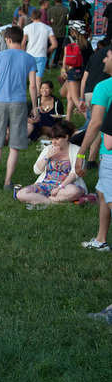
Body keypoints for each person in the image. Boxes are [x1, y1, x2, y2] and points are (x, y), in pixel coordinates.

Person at [0, 26, 38, 190]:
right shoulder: (29, 58)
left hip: (0, 102)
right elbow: (33, 86)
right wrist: (35, 108)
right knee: (14, 145)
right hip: (19, 103)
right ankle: (7, 182)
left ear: (7, 39)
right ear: (22, 39)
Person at [75, 45, 112, 252]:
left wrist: (82, 152)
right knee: (101, 191)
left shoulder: (104, 87)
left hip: (109, 152)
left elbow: (95, 123)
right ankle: (101, 239)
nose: (103, 61)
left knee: (108, 194)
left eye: (107, 56)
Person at [16, 120, 86, 208]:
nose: (53, 142)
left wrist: (59, 187)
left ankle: (40, 199)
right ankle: (53, 202)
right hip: (45, 184)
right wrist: (47, 157)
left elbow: (75, 174)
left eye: (57, 139)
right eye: (52, 138)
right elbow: (36, 170)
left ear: (66, 137)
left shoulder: (77, 150)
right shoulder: (48, 149)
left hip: (65, 186)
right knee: (20, 194)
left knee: (75, 191)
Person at [61, 21, 93, 121]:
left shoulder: (68, 40)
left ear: (73, 30)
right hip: (84, 72)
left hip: (72, 71)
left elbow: (66, 56)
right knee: (70, 96)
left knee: (76, 99)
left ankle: (89, 120)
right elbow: (90, 59)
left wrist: (63, 68)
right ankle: (68, 120)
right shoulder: (86, 43)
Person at [23, 9, 57, 91]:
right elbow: (54, 44)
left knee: (30, 80)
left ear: (31, 18)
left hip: (29, 55)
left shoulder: (27, 28)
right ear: (41, 17)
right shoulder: (47, 28)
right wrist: (47, 51)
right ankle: (38, 100)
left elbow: (23, 43)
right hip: (41, 55)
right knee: (38, 81)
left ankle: (30, 100)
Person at [48, 0, 68, 67]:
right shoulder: (66, 10)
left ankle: (47, 63)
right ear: (61, 0)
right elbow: (67, 21)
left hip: (52, 32)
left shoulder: (50, 10)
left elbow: (48, 22)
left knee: (51, 47)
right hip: (61, 31)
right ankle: (55, 63)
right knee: (59, 48)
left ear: (54, 0)